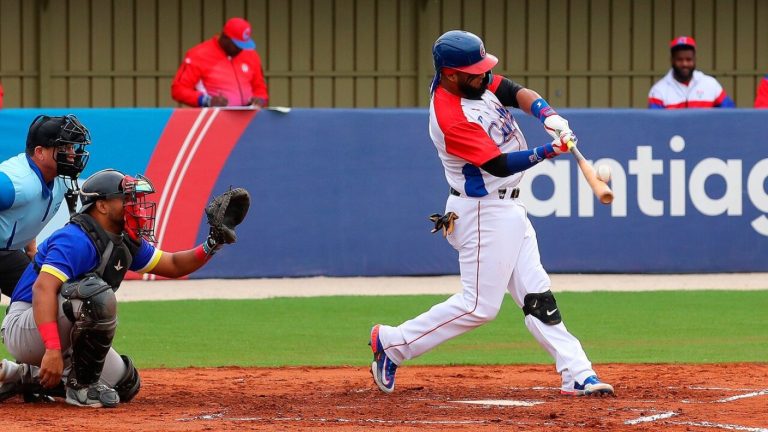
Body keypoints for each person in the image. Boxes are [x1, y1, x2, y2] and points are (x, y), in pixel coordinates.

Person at [368, 30, 615, 397]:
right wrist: (548, 150)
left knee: (538, 295)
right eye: (474, 72)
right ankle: (391, 343)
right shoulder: (450, 115)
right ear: (450, 73)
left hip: (508, 208)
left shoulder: (472, 82)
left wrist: (547, 114)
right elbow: (498, 164)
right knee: (479, 307)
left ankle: (577, 373)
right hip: (481, 213)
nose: (483, 76)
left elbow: (515, 91)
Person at [0, 169, 249, 407]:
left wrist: (212, 242)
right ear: (102, 205)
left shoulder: (124, 240)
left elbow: (173, 264)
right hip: (26, 326)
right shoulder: (75, 239)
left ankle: (20, 376)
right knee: (94, 297)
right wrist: (52, 349)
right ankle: (81, 390)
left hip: (61, 323)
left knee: (125, 385)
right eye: (127, 199)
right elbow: (42, 289)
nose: (135, 206)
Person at [0, 115, 91, 301]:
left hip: (7, 252)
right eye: (64, 148)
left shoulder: (61, 179)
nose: (72, 154)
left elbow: (25, 212)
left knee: (50, 297)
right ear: (40, 152)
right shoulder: (15, 183)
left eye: (72, 147)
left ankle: (17, 329)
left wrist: (32, 250)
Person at [171, 17, 269, 108]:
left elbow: (260, 88)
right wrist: (207, 101)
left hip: (249, 121)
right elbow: (178, 90)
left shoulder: (250, 54)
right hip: (214, 120)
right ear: (225, 38)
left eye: (244, 44)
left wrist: (260, 99)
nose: (241, 49)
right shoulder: (199, 55)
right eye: (237, 44)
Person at [648, 36, 735, 109]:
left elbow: (729, 114)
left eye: (688, 60)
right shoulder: (658, 90)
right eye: (679, 60)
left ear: (695, 60)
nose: (684, 64)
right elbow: (655, 124)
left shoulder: (710, 84)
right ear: (672, 60)